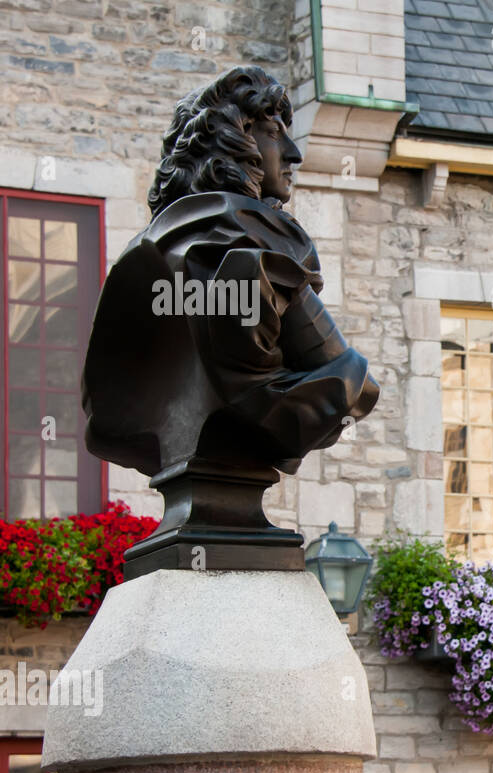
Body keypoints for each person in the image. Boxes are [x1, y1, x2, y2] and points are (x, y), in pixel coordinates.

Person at [83, 65, 380, 478]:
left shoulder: (138, 259)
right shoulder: (253, 247)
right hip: (224, 463)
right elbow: (351, 385)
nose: (294, 153)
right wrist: (349, 380)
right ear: (233, 142)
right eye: (275, 134)